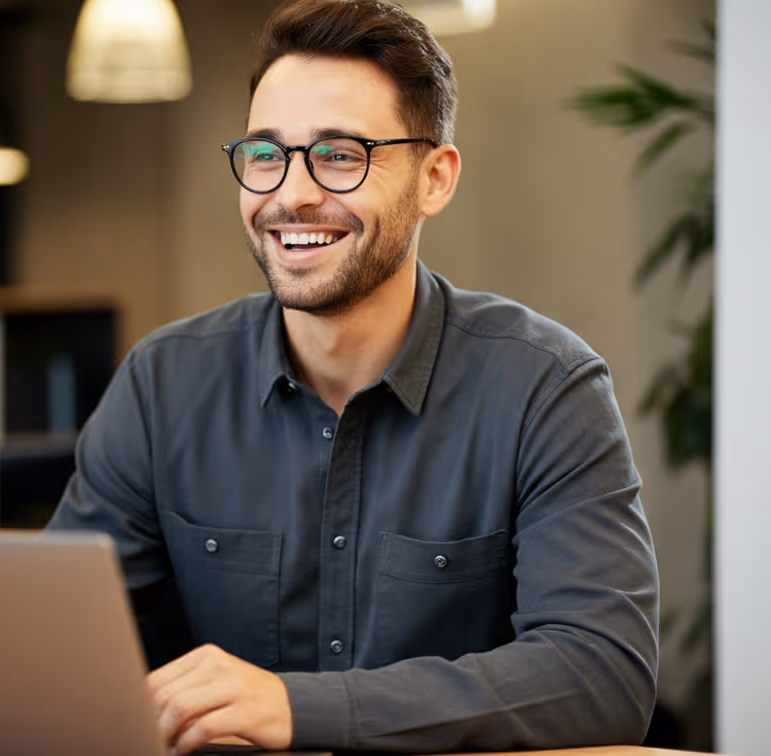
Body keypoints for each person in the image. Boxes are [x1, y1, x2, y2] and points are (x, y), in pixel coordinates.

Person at [48, 0, 659, 753]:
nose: (292, 193)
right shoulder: (161, 385)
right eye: (267, 154)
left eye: (340, 155)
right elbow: (60, 661)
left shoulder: (545, 388)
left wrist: (296, 708)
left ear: (434, 177)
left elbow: (602, 677)